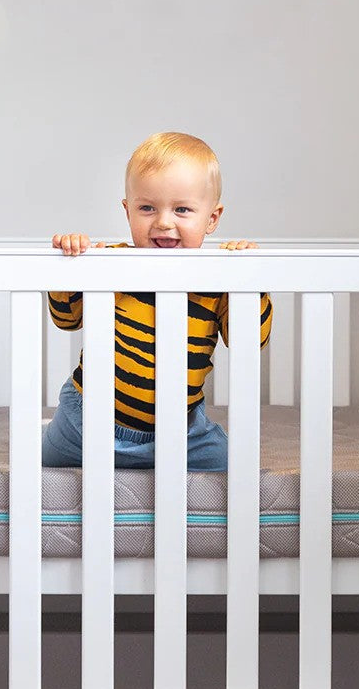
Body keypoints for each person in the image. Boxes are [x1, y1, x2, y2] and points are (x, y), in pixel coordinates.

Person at [42, 132, 272, 471]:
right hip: (85, 422)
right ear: (128, 211)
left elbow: (249, 341)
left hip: (182, 433)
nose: (164, 222)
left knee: (238, 466)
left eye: (182, 209)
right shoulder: (110, 263)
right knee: (34, 467)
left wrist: (249, 283)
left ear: (211, 219)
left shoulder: (219, 277)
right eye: (147, 207)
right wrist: (71, 266)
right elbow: (66, 319)